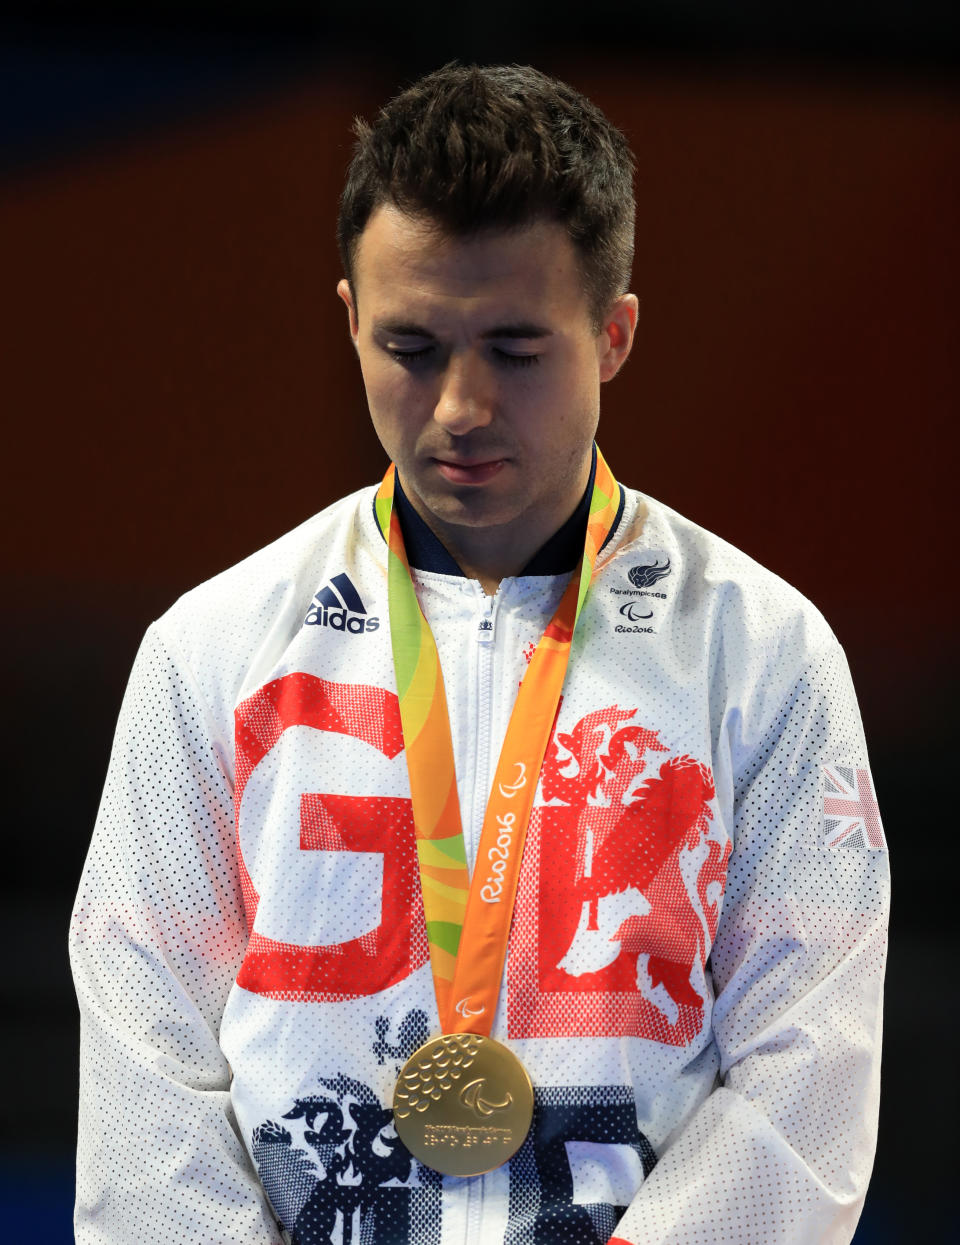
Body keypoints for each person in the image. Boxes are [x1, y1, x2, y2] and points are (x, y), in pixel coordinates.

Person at [70, 63, 889, 1245]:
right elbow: (145, 1061)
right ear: (348, 318)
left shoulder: (762, 655)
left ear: (612, 336)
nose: (460, 406)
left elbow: (805, 1077)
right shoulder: (211, 650)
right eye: (411, 346)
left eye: (514, 350)